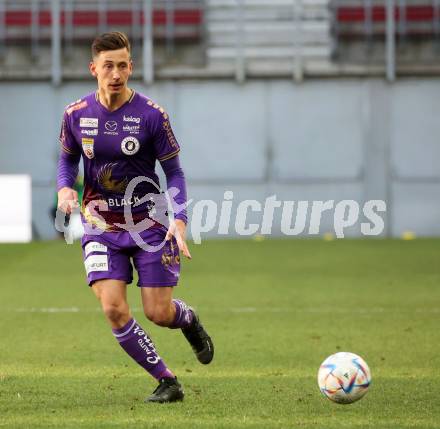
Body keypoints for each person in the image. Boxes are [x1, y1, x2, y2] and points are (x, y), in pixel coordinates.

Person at [56, 31, 214, 403]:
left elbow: (174, 172)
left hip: (149, 224)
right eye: (108, 66)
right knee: (113, 308)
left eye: (122, 65)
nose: (115, 73)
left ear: (131, 67)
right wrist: (65, 188)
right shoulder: (76, 115)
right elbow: (67, 159)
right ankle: (167, 380)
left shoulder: (151, 115)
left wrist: (179, 220)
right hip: (100, 225)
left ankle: (188, 319)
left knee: (158, 312)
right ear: (93, 68)